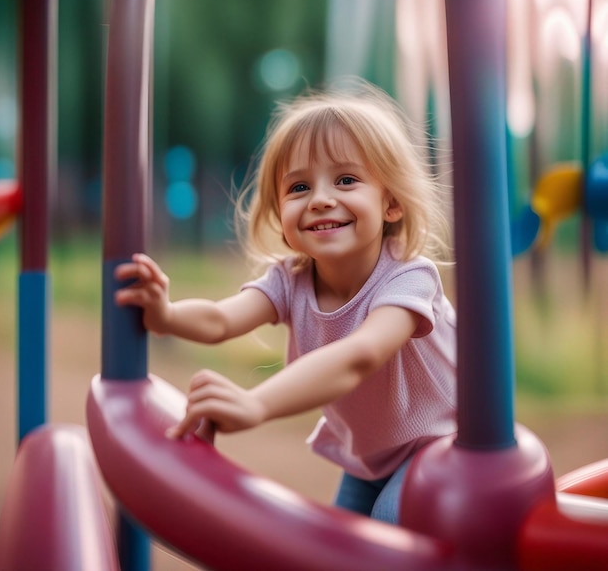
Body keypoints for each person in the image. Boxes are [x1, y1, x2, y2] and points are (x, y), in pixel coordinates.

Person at [114, 79, 457, 525]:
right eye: (298, 188)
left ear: (391, 203)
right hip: (372, 457)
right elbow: (221, 319)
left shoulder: (409, 279)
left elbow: (361, 355)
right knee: (339, 548)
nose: (320, 199)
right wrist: (165, 314)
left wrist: (256, 404)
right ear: (280, 214)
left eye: (346, 180)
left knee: (389, 523)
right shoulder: (291, 279)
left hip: (441, 442)